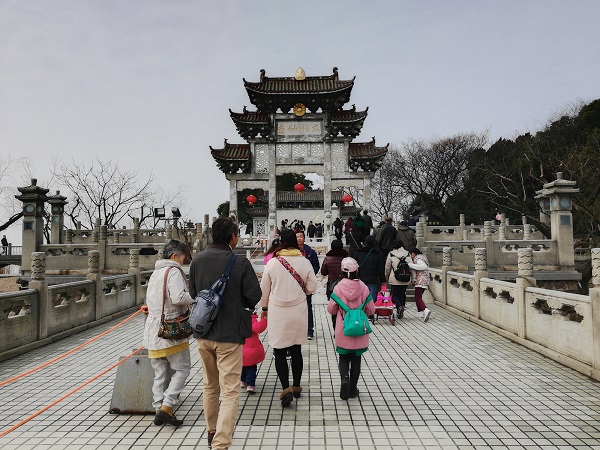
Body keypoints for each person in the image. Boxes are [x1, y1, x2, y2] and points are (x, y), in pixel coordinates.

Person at [189, 217, 262, 449]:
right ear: (231, 237)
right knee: (230, 391)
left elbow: (193, 292)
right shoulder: (239, 262)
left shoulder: (197, 260)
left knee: (210, 385)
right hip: (229, 334)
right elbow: (254, 295)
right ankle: (221, 442)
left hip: (203, 332)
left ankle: (212, 431)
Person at [260, 229, 318, 407]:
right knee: (295, 350)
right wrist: (302, 293)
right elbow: (313, 287)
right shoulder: (305, 261)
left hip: (277, 310)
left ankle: (285, 389)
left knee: (279, 351)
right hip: (298, 309)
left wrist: (264, 307)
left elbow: (264, 290)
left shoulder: (272, 263)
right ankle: (297, 386)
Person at [142, 240, 194, 428]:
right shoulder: (173, 271)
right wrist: (195, 297)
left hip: (153, 329)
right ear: (174, 256)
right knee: (182, 368)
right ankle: (167, 406)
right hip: (171, 329)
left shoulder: (156, 272)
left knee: (160, 372)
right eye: (183, 256)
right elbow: (178, 297)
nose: (184, 260)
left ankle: (159, 410)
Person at [327, 257, 376, 400]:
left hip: (343, 328)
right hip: (360, 329)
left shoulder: (338, 287)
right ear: (357, 271)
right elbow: (371, 309)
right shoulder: (364, 287)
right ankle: (353, 389)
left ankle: (345, 379)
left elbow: (331, 309)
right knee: (356, 359)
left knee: (343, 357)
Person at [296, 230, 319, 339]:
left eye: (301, 236)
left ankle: (309, 331)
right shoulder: (292, 252)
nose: (299, 238)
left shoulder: (311, 252)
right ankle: (298, 330)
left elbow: (316, 266)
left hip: (306, 285)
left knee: (308, 307)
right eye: (297, 237)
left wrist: (308, 275)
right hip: (294, 285)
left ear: (304, 238)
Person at [241, 309, 268, 394]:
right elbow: (258, 328)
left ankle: (242, 381)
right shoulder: (252, 321)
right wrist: (264, 319)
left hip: (240, 350)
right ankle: (250, 385)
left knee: (242, 367)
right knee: (251, 368)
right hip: (252, 351)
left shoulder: (237, 320)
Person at [385, 240, 411, 318]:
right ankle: (401, 308)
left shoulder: (391, 254)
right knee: (402, 293)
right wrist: (414, 278)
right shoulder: (407, 253)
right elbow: (411, 267)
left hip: (395, 278)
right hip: (406, 277)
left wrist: (386, 278)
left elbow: (387, 268)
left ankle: (399, 307)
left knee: (395, 295)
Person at [354, 235, 384, 305]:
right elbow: (380, 268)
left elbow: (354, 265)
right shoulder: (378, 253)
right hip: (372, 279)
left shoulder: (358, 252)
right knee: (371, 300)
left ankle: (362, 311)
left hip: (360, 279)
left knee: (360, 298)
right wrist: (383, 280)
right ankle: (370, 312)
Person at [407, 247, 432, 322]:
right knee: (418, 296)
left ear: (413, 254)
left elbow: (423, 267)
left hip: (421, 280)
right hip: (424, 280)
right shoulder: (422, 257)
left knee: (417, 297)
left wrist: (410, 265)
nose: (410, 256)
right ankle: (420, 313)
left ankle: (425, 310)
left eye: (410, 254)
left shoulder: (418, 258)